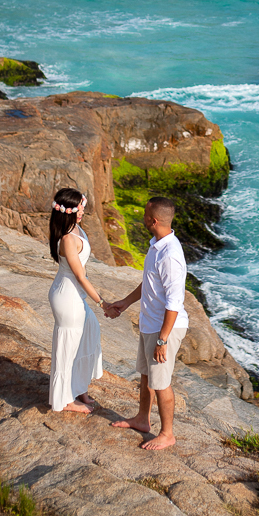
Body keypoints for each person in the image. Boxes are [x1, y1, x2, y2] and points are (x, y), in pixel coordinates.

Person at [104, 196, 189, 450]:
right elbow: (149, 284)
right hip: (150, 324)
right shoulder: (156, 246)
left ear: (153, 220)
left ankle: (168, 434)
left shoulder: (170, 255)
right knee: (146, 375)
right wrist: (125, 302)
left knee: (161, 382)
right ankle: (142, 419)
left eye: (144, 214)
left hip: (165, 328)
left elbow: (174, 303)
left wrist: (163, 339)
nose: (142, 217)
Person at [48, 187, 104, 414]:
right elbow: (80, 275)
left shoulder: (76, 228)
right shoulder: (68, 239)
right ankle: (65, 400)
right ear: (68, 211)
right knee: (68, 346)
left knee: (89, 331)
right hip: (67, 297)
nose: (83, 213)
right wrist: (102, 302)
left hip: (75, 294)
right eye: (80, 209)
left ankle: (79, 387)